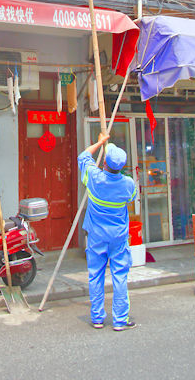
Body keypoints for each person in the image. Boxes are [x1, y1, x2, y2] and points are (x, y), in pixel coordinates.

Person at [78, 133, 137, 331]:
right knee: (120, 276)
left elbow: (83, 157)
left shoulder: (94, 178)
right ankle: (120, 320)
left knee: (96, 275)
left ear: (104, 163)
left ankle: (97, 317)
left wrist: (100, 143)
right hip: (118, 237)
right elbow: (131, 198)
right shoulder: (127, 184)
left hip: (96, 235)